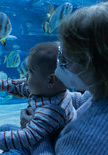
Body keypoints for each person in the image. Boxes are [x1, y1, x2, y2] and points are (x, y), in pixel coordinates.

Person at [0, 42, 91, 155]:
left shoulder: (52, 110)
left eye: (30, 71)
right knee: (4, 128)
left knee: (12, 148)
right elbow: (21, 87)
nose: (26, 75)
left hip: (41, 145)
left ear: (50, 80)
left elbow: (28, 137)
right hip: (35, 136)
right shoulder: (50, 91)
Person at [30, 2, 108, 154]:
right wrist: (45, 94)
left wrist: (36, 133)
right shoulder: (101, 90)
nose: (58, 65)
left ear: (89, 63)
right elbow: (84, 101)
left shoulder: (89, 137)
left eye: (65, 60)